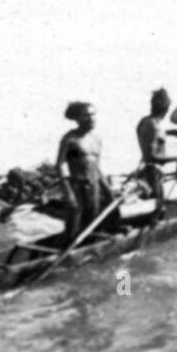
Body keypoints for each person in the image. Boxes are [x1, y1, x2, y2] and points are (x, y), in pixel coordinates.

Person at [56, 101, 114, 246]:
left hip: (94, 187)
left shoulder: (96, 139)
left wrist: (108, 191)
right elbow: (60, 166)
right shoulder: (71, 139)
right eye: (86, 115)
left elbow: (96, 167)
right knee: (73, 231)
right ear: (77, 118)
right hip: (78, 188)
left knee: (92, 226)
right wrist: (68, 193)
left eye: (93, 114)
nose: (91, 118)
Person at [136, 88, 177, 220]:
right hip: (153, 171)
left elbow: (149, 138)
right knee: (157, 208)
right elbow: (152, 156)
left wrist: (169, 132)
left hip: (145, 169)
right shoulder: (155, 127)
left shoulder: (144, 121)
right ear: (166, 110)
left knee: (153, 205)